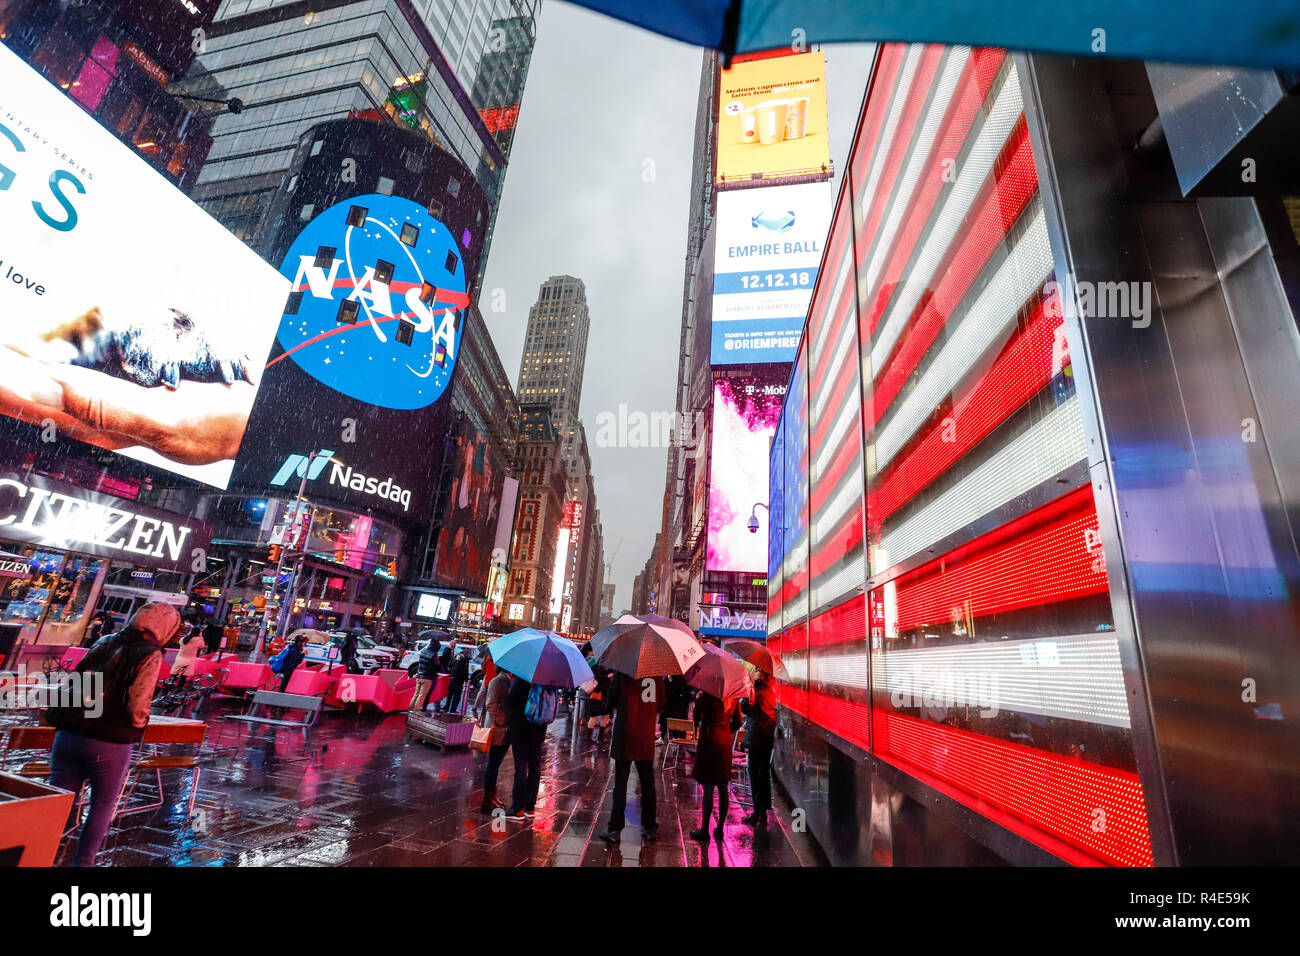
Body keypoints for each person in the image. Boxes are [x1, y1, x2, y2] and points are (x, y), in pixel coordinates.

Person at [45, 602, 180, 866]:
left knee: (58, 803)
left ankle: (43, 852)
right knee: (102, 806)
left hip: (69, 732)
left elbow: (77, 681)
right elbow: (138, 702)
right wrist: (139, 724)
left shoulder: (105, 642)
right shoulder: (150, 653)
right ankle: (83, 863)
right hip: (108, 741)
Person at [599, 672, 664, 843]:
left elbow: (609, 701)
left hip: (625, 736)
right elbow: (663, 704)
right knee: (648, 783)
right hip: (645, 736)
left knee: (620, 783)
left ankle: (614, 827)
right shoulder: (656, 676)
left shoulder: (622, 674)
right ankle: (649, 826)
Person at [690, 690, 741, 841]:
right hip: (725, 742)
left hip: (709, 741)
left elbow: (696, 716)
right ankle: (719, 828)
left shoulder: (707, 695)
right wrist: (726, 730)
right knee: (723, 785)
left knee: (708, 787)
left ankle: (704, 829)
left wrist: (698, 699)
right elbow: (738, 721)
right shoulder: (733, 696)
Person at [503, 676, 547, 820]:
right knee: (535, 767)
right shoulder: (547, 680)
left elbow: (510, 701)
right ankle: (530, 807)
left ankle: (517, 808)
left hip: (521, 729)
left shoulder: (522, 678)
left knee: (520, 767)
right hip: (539, 729)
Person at [741, 672, 778, 827]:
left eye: (757, 670)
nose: (754, 672)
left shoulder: (757, 690)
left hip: (757, 738)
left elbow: (747, 709)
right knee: (762, 775)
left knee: (755, 775)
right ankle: (762, 812)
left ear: (761, 675)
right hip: (766, 739)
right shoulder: (770, 692)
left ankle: (758, 813)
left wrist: (745, 697)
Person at [479, 668, 513, 814]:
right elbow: (491, 704)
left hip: (504, 730)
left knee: (496, 764)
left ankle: (493, 796)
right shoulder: (497, 680)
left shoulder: (508, 680)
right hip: (497, 729)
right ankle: (487, 800)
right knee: (492, 764)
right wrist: (503, 720)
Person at [409, 639, 442, 712]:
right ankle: (415, 711)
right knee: (421, 696)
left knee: (416, 694)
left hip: (419, 675)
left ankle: (410, 709)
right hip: (427, 678)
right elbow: (437, 667)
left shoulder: (423, 651)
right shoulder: (433, 654)